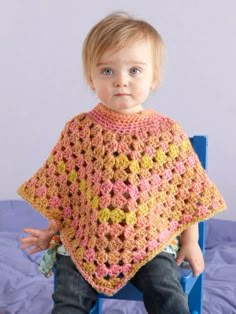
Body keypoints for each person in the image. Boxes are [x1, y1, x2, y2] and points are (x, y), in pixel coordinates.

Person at [18, 12, 226, 314]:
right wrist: (51, 232)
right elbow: (66, 191)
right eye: (106, 71)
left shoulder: (166, 133)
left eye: (135, 71)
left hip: (151, 244)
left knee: (166, 292)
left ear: (154, 77)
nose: (121, 81)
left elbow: (188, 195)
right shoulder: (79, 130)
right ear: (90, 77)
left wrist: (190, 242)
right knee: (68, 298)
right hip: (84, 241)